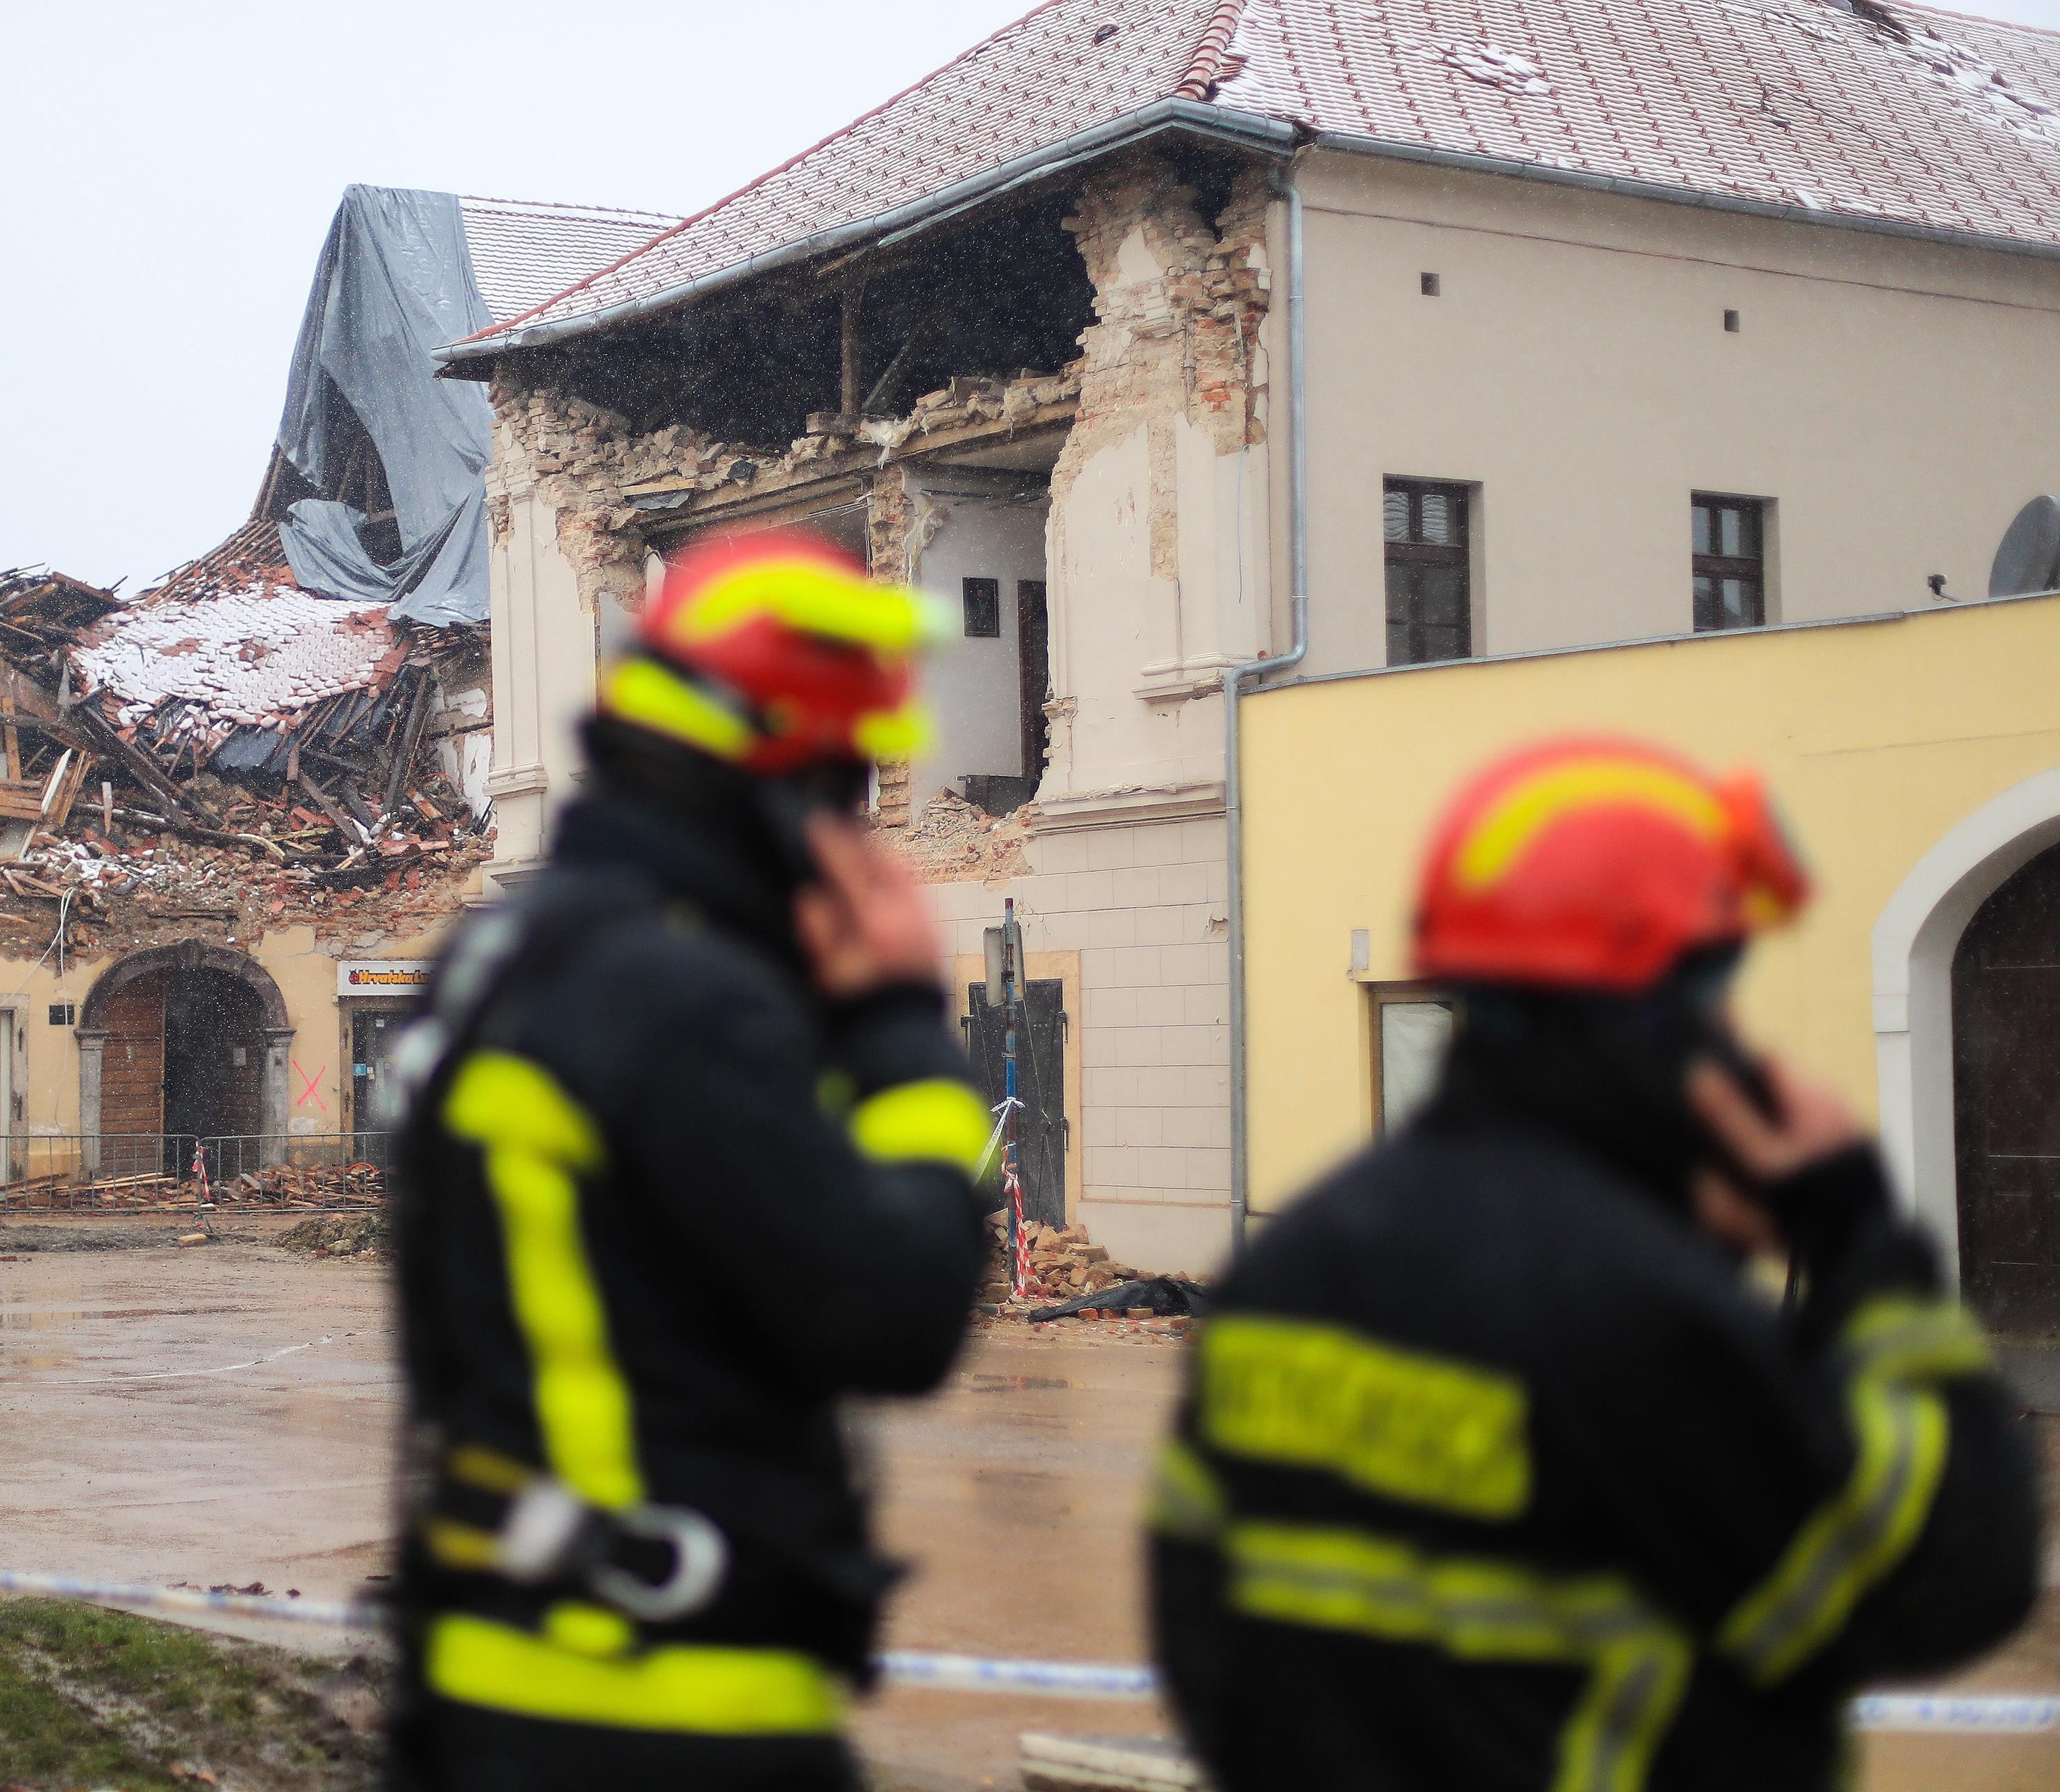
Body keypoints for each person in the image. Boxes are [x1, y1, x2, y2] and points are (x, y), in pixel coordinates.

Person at [1148, 737, 2042, 1792]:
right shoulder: (1647, 1317)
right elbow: (1952, 1573)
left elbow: (1198, 1631)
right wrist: (1856, 1239)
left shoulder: (1286, 1272)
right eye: (1713, 985)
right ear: (1654, 1007)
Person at [382, 531, 996, 1792]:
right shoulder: (677, 997)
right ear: (793, 779)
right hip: (664, 1705)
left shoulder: (509, 952)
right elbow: (898, 1315)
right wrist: (898, 1026)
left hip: (490, 1664)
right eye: (848, 787)